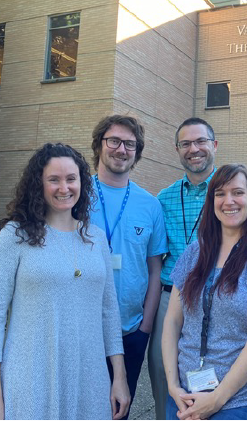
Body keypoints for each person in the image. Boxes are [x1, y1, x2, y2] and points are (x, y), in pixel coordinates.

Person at [0, 143, 130, 421]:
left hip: (90, 379)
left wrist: (118, 376)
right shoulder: (15, 236)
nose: (64, 188)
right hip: (31, 379)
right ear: (38, 184)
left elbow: (109, 312)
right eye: (54, 180)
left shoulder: (96, 238)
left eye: (71, 179)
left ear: (82, 182)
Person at [150, 118, 247, 420]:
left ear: (214, 145)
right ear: (177, 150)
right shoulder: (163, 199)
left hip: (232, 290)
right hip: (178, 291)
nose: (194, 149)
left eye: (201, 141)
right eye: (186, 144)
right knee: (164, 373)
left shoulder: (228, 188)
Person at [162, 164, 247, 420]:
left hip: (240, 398)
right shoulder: (194, 253)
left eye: (238, 192)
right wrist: (173, 386)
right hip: (184, 394)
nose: (228, 201)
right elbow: (172, 322)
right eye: (220, 193)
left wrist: (215, 400)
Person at [90, 115, 167, 420]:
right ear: (99, 145)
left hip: (130, 331)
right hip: (83, 330)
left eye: (130, 144)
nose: (121, 149)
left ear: (137, 152)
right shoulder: (75, 195)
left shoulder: (150, 205)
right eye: (114, 141)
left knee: (118, 412)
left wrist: (144, 329)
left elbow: (154, 271)